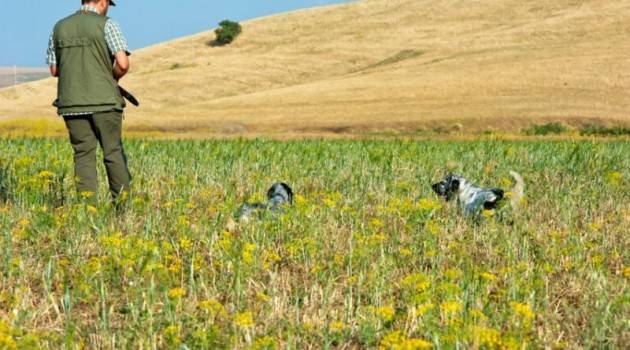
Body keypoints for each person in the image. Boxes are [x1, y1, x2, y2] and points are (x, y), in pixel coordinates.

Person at [46, 0, 131, 205]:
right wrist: (111, 78)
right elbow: (123, 63)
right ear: (102, 2)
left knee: (83, 154)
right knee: (112, 152)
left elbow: (54, 70)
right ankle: (123, 207)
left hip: (71, 102)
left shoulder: (59, 27)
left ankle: (87, 210)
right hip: (105, 102)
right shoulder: (107, 24)